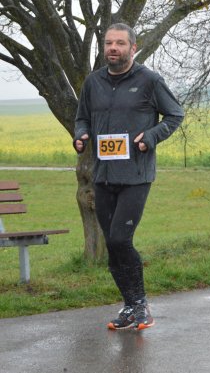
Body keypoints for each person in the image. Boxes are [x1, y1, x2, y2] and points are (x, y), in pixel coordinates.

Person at [74, 23, 184, 330]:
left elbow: (175, 114)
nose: (113, 48)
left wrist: (150, 136)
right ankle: (130, 306)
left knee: (121, 238)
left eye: (120, 43)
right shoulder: (93, 82)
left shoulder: (150, 81)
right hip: (102, 175)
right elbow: (82, 118)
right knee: (113, 244)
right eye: (109, 43)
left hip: (136, 175)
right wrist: (81, 135)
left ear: (133, 48)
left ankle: (140, 305)